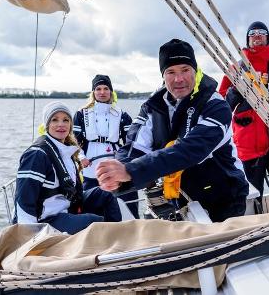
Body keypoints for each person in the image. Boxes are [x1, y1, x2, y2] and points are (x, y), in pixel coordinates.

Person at [96, 38, 249, 222]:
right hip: (180, 199)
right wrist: (118, 177)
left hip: (225, 197)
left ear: (195, 70)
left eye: (185, 70)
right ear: (163, 75)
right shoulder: (152, 107)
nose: (179, 79)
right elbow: (134, 147)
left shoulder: (215, 105)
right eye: (171, 72)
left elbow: (190, 150)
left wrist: (131, 170)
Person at [218, 21, 269, 211]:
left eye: (261, 33)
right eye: (252, 33)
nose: (257, 36)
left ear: (267, 38)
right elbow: (221, 106)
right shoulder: (235, 69)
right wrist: (234, 92)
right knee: (250, 194)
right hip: (248, 143)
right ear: (247, 39)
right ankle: (258, 225)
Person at [13, 101, 122, 234]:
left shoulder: (65, 150)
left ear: (70, 125)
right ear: (47, 125)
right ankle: (107, 241)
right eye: (54, 120)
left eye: (65, 120)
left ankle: (118, 237)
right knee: (94, 222)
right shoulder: (37, 154)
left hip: (67, 207)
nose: (61, 124)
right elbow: (24, 198)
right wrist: (30, 235)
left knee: (106, 194)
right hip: (46, 219)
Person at [73, 75, 139, 218]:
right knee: (91, 204)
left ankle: (132, 225)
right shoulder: (80, 114)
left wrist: (126, 162)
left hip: (115, 164)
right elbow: (73, 142)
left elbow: (131, 142)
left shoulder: (122, 115)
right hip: (90, 168)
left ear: (111, 92)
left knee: (127, 201)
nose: (102, 92)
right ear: (93, 92)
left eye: (106, 88)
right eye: (98, 89)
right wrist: (81, 157)